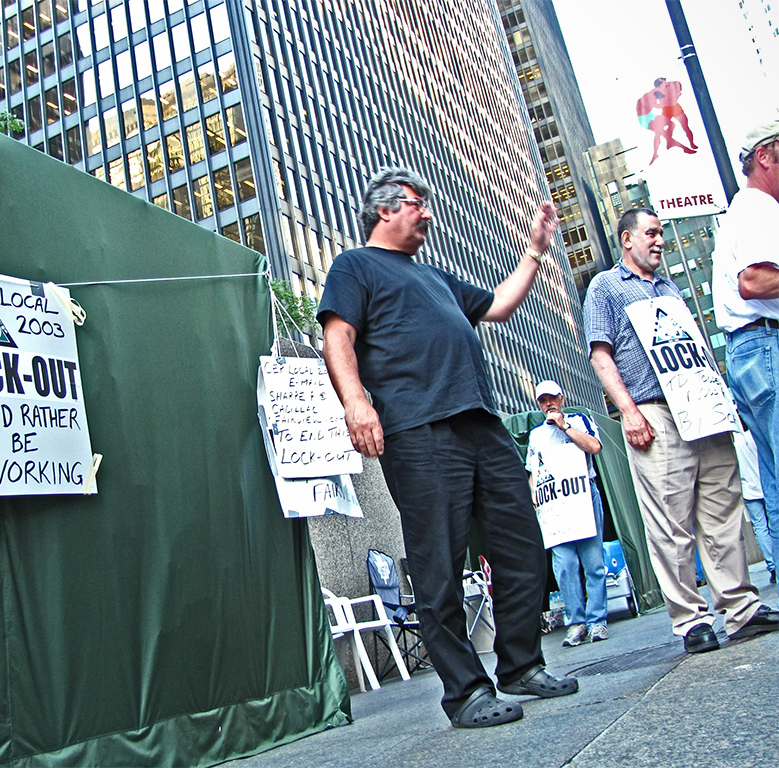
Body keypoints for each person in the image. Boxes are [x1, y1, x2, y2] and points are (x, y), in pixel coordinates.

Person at [318, 167, 577, 730]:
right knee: (438, 562)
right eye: (416, 204)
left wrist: (533, 253)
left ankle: (521, 664)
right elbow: (337, 334)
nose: (427, 213)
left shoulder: (434, 276)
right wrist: (355, 403)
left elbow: (500, 306)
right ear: (385, 210)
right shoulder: (354, 267)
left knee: (522, 545)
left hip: (481, 422)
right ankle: (465, 692)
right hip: (418, 429)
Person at [583, 207, 779, 654]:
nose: (660, 240)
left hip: (704, 408)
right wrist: (629, 412)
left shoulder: (670, 287)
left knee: (722, 512)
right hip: (655, 410)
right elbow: (600, 354)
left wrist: (723, 402)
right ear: (626, 238)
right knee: (670, 520)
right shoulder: (607, 286)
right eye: (650, 233)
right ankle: (691, 619)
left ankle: (742, 608)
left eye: (662, 233)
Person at [711, 119, 779, 579]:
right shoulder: (758, 208)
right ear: (765, 157)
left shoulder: (742, 210)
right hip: (765, 342)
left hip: (750, 350)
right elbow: (753, 280)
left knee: (774, 477)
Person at [524, 380, 608, 646]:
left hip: (584, 496)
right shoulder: (536, 435)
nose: (548, 404)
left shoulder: (580, 420)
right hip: (555, 504)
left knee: (593, 562)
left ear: (562, 398)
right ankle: (576, 623)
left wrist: (564, 426)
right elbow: (532, 470)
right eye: (542, 400)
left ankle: (597, 621)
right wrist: (534, 492)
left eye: (552, 398)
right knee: (565, 565)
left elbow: (594, 447)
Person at [735, 430, 775, 583]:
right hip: (766, 484)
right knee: (774, 522)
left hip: (749, 490)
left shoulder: (734, 443)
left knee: (760, 528)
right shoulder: (755, 435)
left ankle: (772, 565)